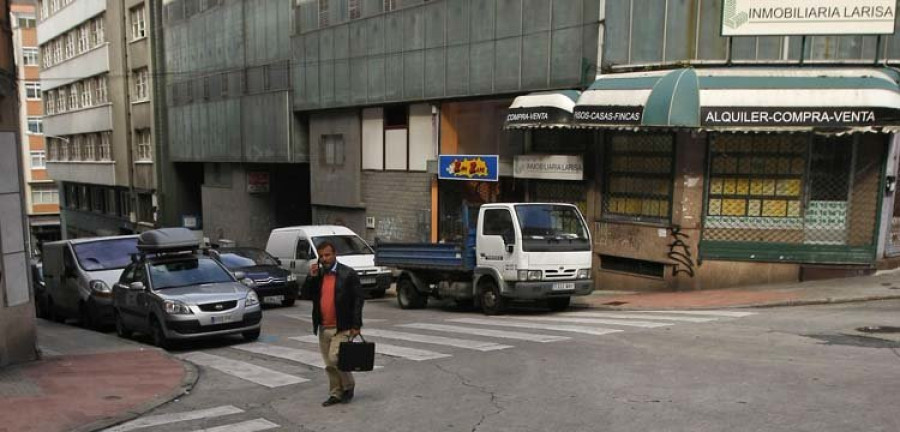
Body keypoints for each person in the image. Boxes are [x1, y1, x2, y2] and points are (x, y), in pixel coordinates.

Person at [301, 241, 364, 407]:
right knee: (329, 365)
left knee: (335, 358)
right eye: (321, 256)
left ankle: (349, 386)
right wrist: (311, 277)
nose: (324, 259)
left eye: (327, 255)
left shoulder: (348, 274)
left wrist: (356, 325)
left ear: (335, 254)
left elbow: (358, 300)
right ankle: (335, 393)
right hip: (323, 326)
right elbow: (306, 295)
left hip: (341, 326)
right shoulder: (319, 275)